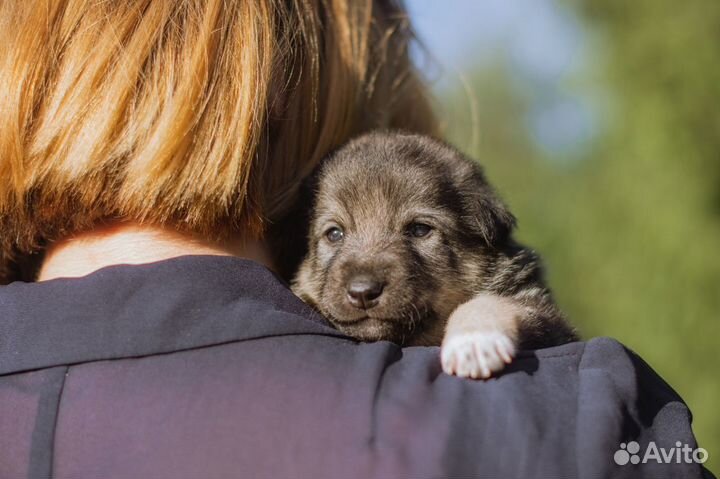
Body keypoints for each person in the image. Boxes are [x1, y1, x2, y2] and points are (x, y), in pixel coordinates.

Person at [0, 1, 712, 478]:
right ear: (290, 98)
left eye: (419, 229)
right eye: (335, 233)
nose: (365, 272)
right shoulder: (579, 420)